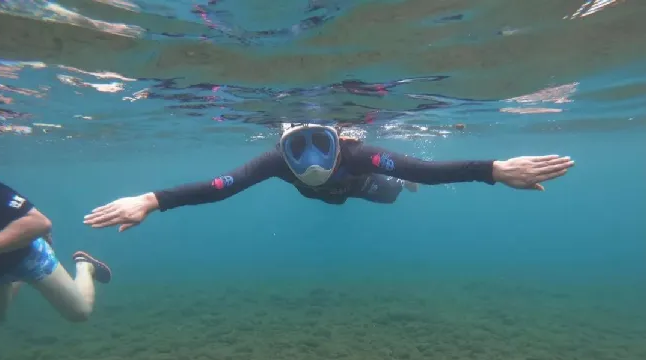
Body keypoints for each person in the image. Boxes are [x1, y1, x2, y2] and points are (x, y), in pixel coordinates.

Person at [83, 123, 575, 232]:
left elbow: (427, 168)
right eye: (298, 145)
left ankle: (397, 191)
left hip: (364, 187)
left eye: (324, 143)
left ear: (341, 140)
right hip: (331, 200)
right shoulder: (273, 161)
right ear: (283, 145)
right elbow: (219, 188)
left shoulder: (361, 156)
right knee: (333, 201)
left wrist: (494, 170)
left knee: (396, 191)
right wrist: (151, 199)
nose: (314, 157)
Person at [0, 178, 112, 323]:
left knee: (80, 313)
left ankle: (84, 265)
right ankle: (16, 278)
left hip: (27, 256)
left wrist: (32, 230)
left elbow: (40, 223)